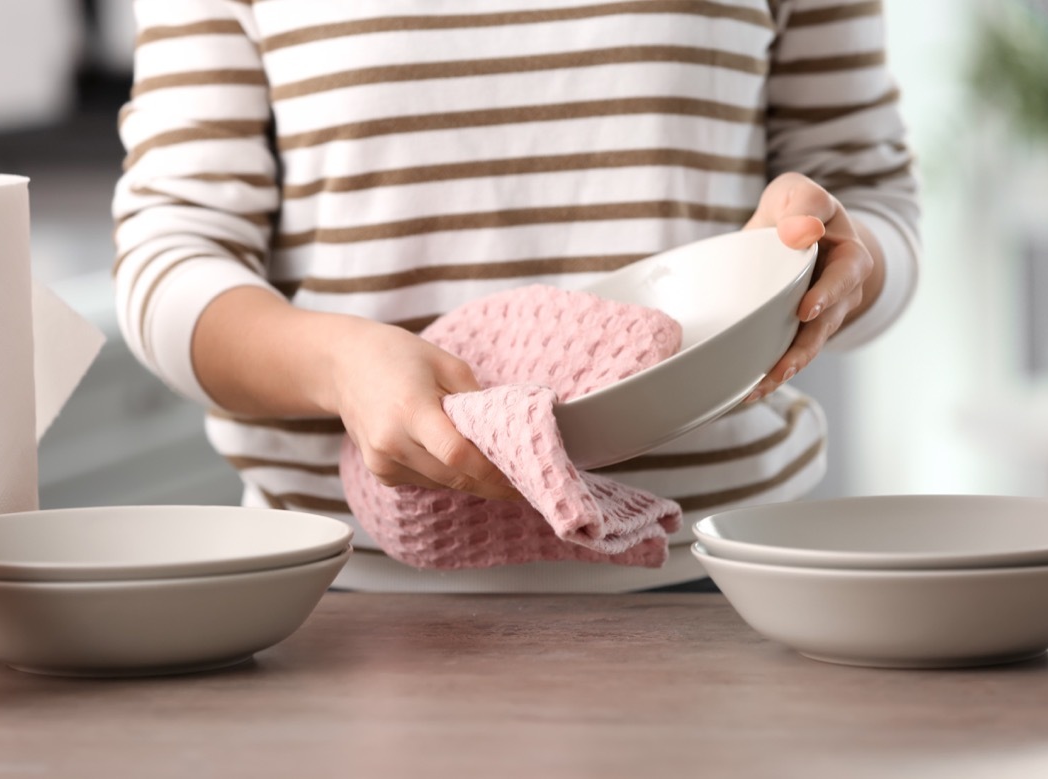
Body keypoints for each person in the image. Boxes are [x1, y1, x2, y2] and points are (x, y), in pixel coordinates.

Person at [113, 0, 920, 592]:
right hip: (333, 596)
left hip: (724, 578)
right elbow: (170, 255)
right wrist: (338, 364)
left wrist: (836, 263)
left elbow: (871, 198)